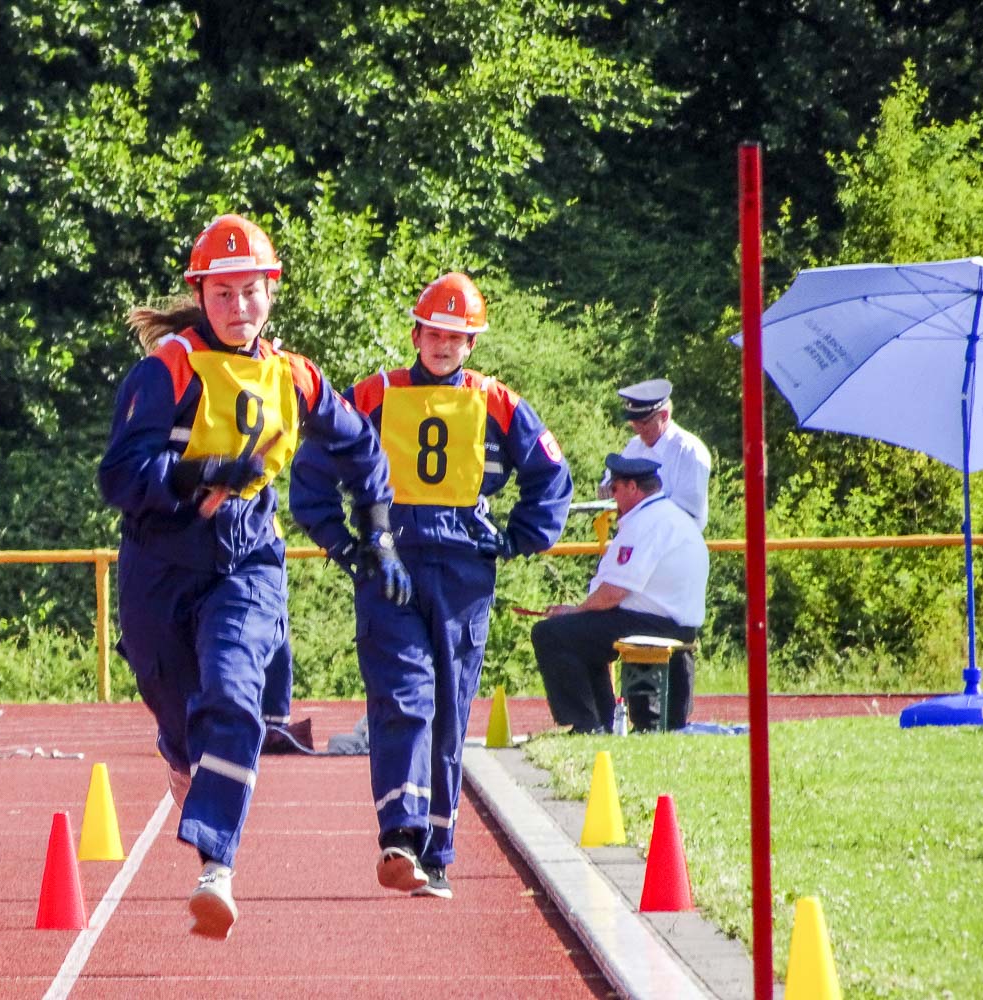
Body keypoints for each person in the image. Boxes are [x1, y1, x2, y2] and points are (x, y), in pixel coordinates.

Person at [97, 213, 409, 940]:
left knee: (235, 698)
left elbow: (365, 453)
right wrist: (197, 473)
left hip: (247, 562)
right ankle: (179, 755)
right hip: (160, 561)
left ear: (272, 292)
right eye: (224, 293)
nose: (240, 307)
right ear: (200, 294)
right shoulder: (165, 369)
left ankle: (217, 867)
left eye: (252, 292)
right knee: (177, 714)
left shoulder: (294, 375)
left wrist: (382, 538)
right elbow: (119, 475)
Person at [290, 272, 572, 900]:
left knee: (450, 711)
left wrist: (518, 537)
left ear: (471, 344)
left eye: (458, 336)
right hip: (390, 568)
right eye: (434, 332)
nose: (444, 344)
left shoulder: (498, 401)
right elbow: (309, 474)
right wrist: (346, 545)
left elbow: (552, 476)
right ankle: (400, 836)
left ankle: (437, 855)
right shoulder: (371, 394)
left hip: (465, 573)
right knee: (402, 698)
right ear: (415, 333)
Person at [534, 453, 708, 733]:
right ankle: (600, 721)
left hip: (653, 623)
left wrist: (574, 610)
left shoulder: (646, 523)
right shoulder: (669, 516)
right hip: (673, 621)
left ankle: (586, 723)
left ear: (632, 488)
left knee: (552, 633)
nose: (612, 497)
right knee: (580, 634)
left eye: (614, 488)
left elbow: (614, 592)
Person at [596, 378, 711, 529]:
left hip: (674, 542)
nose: (638, 429)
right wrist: (610, 488)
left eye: (643, 422)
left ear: (664, 415)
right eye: (634, 423)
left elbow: (687, 512)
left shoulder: (689, 451)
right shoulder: (634, 445)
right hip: (637, 538)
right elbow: (610, 481)